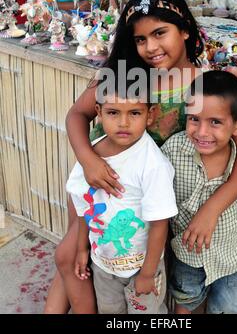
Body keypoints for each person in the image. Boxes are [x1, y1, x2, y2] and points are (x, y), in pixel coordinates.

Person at [44, 0, 237, 314]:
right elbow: (77, 114)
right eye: (140, 39)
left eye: (160, 33)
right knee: (71, 257)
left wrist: (212, 209)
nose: (150, 47)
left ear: (186, 31)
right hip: (103, 191)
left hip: (158, 208)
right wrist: (88, 159)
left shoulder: (205, 86)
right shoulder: (129, 77)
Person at [162, 70, 237, 314]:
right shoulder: (172, 151)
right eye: (194, 119)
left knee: (227, 309)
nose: (202, 132)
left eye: (215, 122)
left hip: (233, 257)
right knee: (184, 303)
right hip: (187, 254)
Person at [66, 74, 178, 314]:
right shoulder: (92, 157)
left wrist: (148, 273)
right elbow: (87, 207)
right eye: (113, 113)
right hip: (103, 265)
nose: (123, 123)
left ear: (150, 115)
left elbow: (160, 224)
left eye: (134, 113)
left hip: (142, 265)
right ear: (98, 112)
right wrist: (82, 248)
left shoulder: (152, 165)